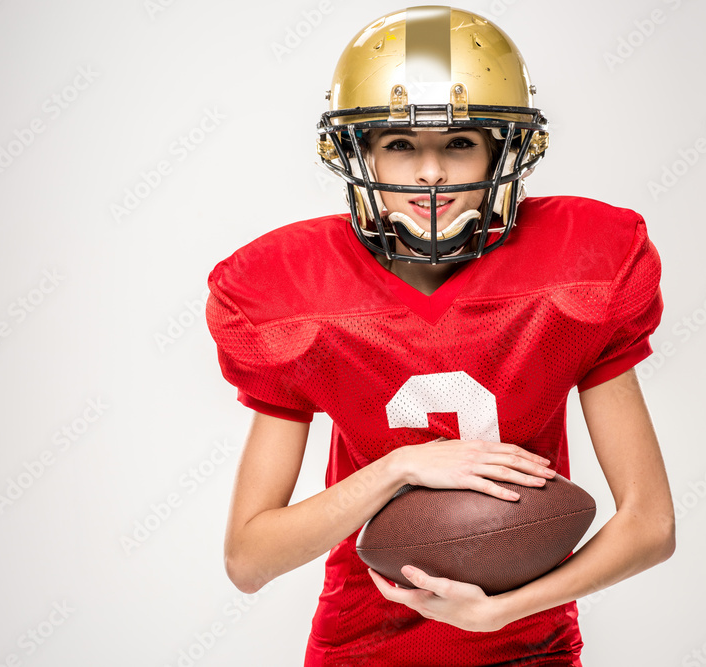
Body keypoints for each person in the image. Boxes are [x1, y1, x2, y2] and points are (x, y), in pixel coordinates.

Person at [205, 6, 675, 666]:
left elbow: (651, 524)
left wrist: (502, 611)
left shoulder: (581, 269)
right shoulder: (294, 291)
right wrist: (398, 468)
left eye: (458, 143)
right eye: (400, 144)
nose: (430, 173)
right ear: (359, 153)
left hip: (529, 646)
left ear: (502, 150)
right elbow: (248, 559)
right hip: (361, 647)